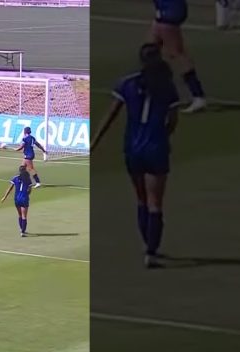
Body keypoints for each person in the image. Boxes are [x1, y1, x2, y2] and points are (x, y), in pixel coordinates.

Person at [92, 43, 180, 268]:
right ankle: (151, 252)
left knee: (141, 199)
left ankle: (146, 244)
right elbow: (172, 121)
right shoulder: (168, 87)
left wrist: (95, 142)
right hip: (156, 148)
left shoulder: (127, 83)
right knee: (155, 202)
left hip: (132, 148)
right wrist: (162, 136)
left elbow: (111, 114)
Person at [150, 0, 206, 113]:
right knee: (150, 51)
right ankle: (154, 92)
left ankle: (198, 95)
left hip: (169, 13)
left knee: (177, 54)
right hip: (163, 13)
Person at [1, 165, 34, 237]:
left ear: (19, 171)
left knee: (20, 215)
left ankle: (21, 229)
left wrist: (4, 197)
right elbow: (29, 191)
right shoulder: (28, 179)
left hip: (17, 199)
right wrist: (26, 194)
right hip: (24, 199)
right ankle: (23, 232)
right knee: (24, 216)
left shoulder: (15, 178)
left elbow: (10, 188)